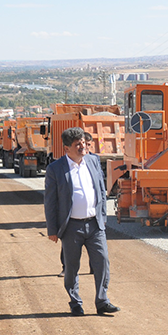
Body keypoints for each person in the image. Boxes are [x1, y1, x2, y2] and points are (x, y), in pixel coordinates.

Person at [44, 127, 120, 316]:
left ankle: (102, 301)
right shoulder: (55, 169)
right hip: (71, 227)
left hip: (95, 225)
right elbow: (50, 201)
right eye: (77, 145)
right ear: (66, 148)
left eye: (84, 143)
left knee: (102, 262)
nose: (82, 147)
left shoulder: (93, 161)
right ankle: (75, 302)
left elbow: (101, 190)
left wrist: (102, 218)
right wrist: (52, 229)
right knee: (71, 266)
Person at [58, 132, 98, 278]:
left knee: (96, 250)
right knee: (70, 249)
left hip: (92, 219)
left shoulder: (93, 161)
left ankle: (95, 268)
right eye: (81, 144)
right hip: (72, 220)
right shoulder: (63, 166)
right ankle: (66, 268)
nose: (84, 147)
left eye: (87, 144)